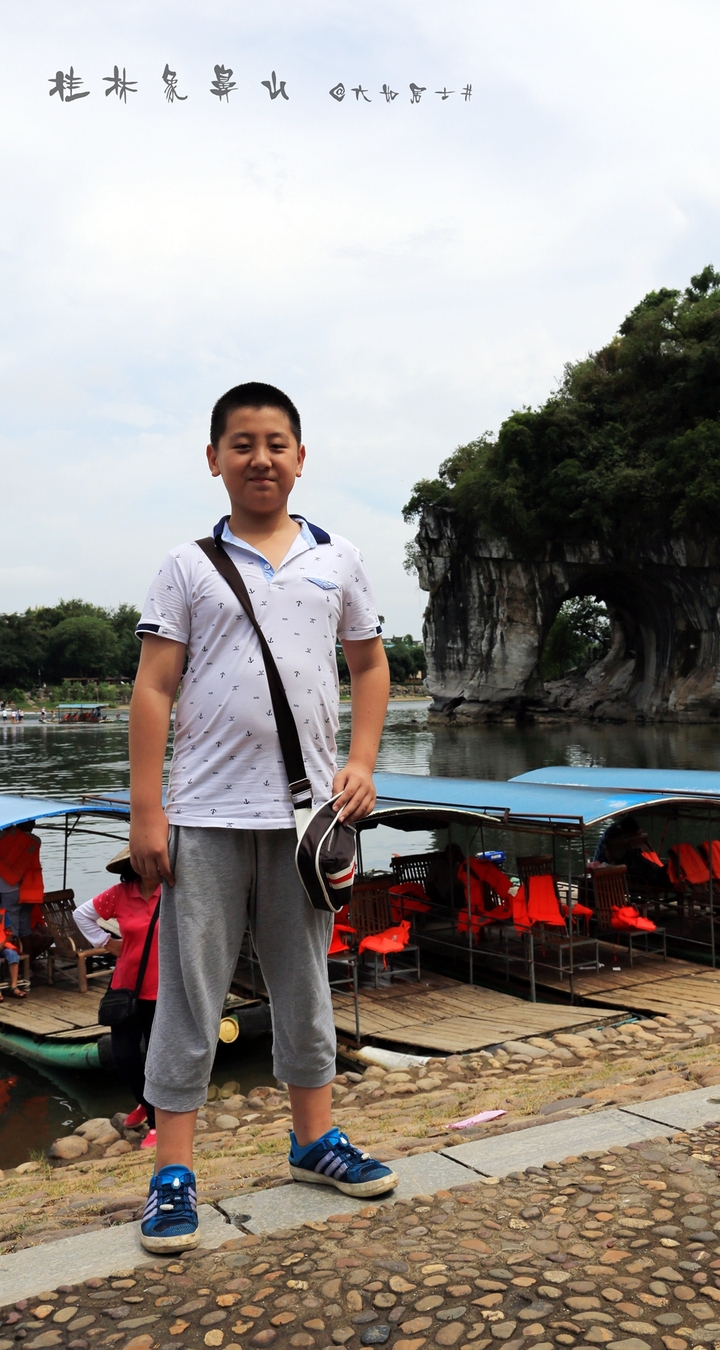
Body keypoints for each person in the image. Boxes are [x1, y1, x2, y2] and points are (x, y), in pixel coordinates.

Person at [130, 382, 395, 1253]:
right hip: (203, 814)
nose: (260, 458)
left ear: (301, 457)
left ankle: (314, 1140)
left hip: (307, 820)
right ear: (214, 459)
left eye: (276, 442)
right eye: (241, 443)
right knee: (190, 995)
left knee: (304, 984)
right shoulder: (188, 565)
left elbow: (368, 666)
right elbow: (154, 687)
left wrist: (360, 763)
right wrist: (146, 810)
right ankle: (173, 1173)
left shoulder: (338, 558)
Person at [73, 846, 161, 1147]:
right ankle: (142, 1101)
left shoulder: (174, 892)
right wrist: (106, 942)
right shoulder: (121, 893)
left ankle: (156, 1122)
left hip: (163, 991)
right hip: (126, 988)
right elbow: (81, 914)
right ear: (134, 864)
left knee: (156, 1057)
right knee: (123, 1056)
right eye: (145, 860)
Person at [0, 821, 53, 967]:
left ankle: (12, 967)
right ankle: (27, 965)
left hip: (9, 892)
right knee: (25, 930)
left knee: (11, 932)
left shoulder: (5, 836)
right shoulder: (35, 840)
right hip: (29, 892)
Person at [593, 813, 670, 887]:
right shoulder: (612, 836)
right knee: (647, 869)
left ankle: (663, 872)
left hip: (632, 861)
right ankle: (663, 874)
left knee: (647, 865)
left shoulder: (623, 838)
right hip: (613, 866)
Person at [0, 908, 26, 1000]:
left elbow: (10, 933)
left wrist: (2, 944)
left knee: (13, 955)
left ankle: (14, 986)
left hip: (2, 945)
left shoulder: (2, 913)